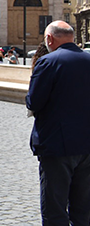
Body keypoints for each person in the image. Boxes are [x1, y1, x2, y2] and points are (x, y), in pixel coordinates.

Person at [26, 21, 90, 225]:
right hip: (87, 146)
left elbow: (34, 101)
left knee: (55, 210)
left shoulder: (48, 62)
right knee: (83, 210)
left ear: (49, 39)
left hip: (57, 145)